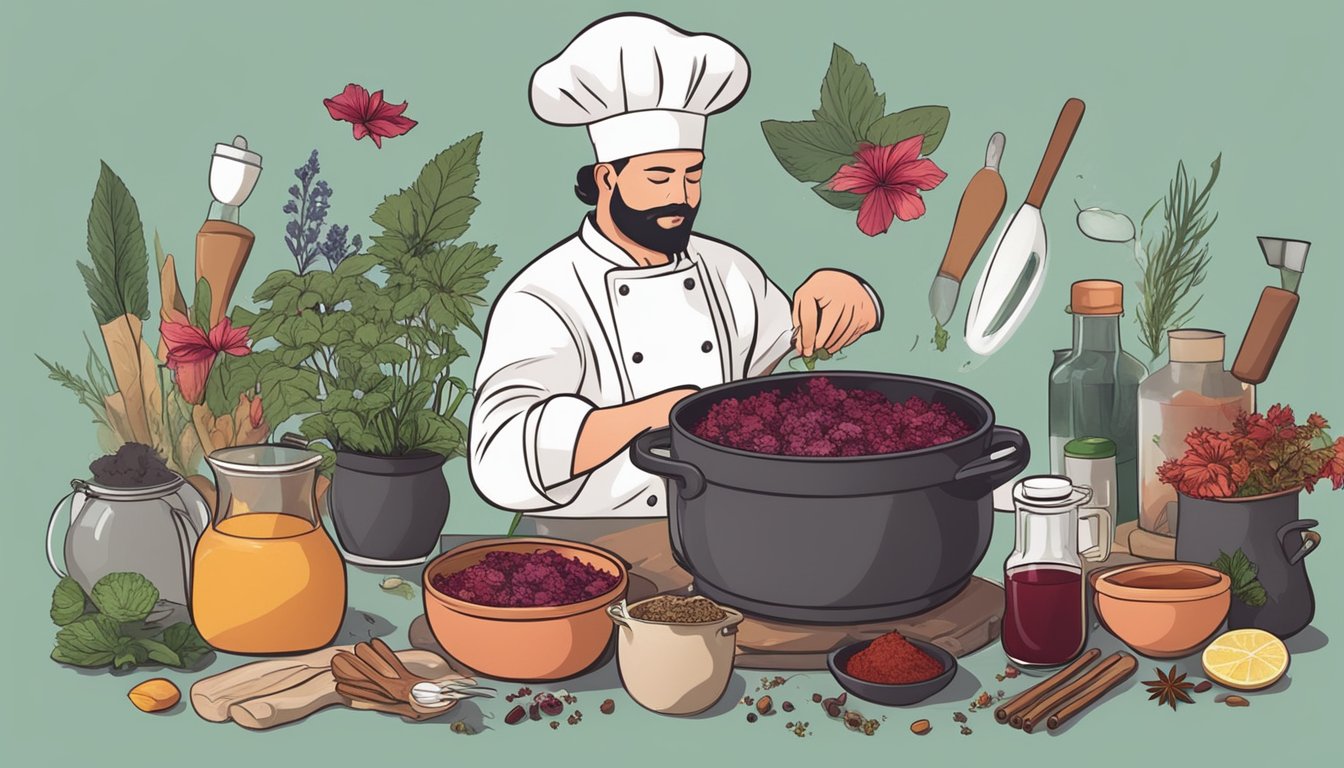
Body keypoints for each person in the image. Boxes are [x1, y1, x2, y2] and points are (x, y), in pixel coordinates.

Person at [468, 13, 883, 541]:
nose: (681, 197)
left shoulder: (726, 269)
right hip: (585, 542)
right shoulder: (544, 294)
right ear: (606, 178)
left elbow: (800, 341)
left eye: (693, 174)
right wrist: (647, 416)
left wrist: (848, 296)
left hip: (725, 533)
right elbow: (498, 458)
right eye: (659, 176)